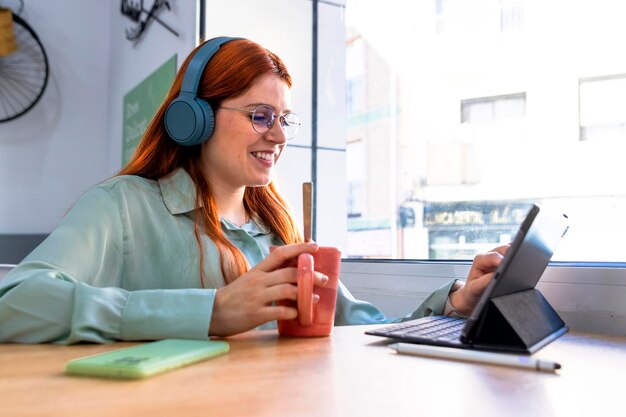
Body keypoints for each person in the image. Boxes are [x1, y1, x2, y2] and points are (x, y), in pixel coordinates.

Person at [0, 37, 508, 344]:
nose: (281, 136)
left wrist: (459, 302)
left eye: (284, 119)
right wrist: (212, 312)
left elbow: (363, 330)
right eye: (260, 116)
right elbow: (14, 303)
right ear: (192, 119)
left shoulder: (279, 230)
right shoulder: (122, 207)